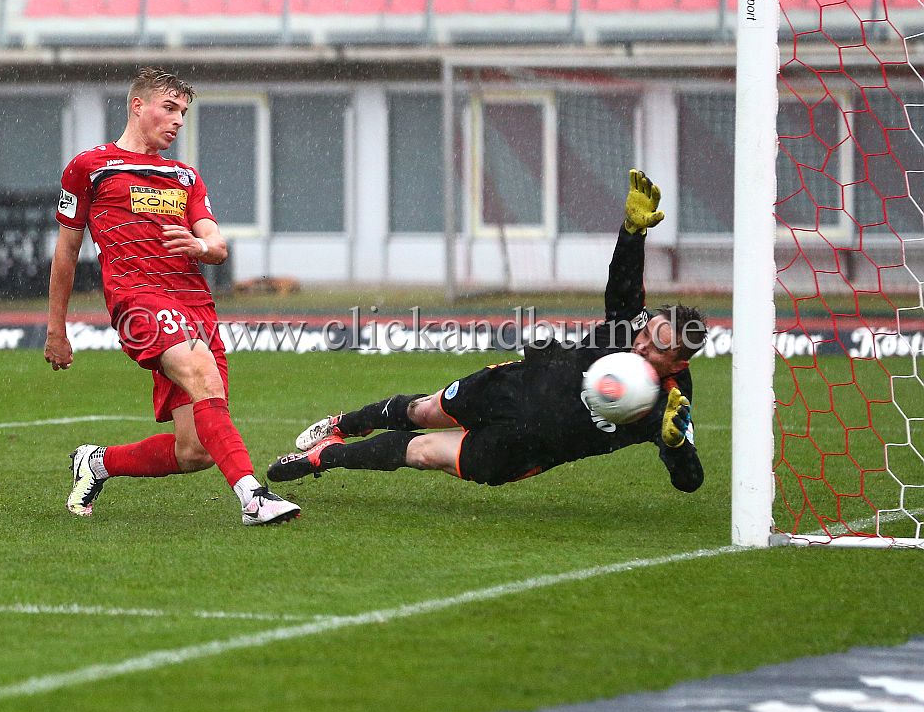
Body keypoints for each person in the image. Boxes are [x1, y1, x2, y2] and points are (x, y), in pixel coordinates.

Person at [268, 169, 706, 494]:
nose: (642, 344)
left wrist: (676, 446)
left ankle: (325, 457)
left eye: (658, 347)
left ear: (679, 362)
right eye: (649, 333)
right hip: (511, 387)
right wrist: (632, 232)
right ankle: (343, 424)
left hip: (525, 448)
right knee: (423, 411)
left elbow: (690, 481)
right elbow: (624, 285)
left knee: (422, 453)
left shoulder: (671, 404)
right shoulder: (630, 329)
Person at [45, 66, 300, 526]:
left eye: (183, 111)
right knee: (202, 373)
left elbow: (217, 245)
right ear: (137, 106)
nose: (179, 120)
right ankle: (254, 497)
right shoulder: (90, 167)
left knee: (195, 450)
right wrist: (55, 329)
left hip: (194, 305)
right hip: (137, 299)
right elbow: (66, 252)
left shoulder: (185, 177)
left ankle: (97, 462)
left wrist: (199, 246)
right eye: (169, 108)